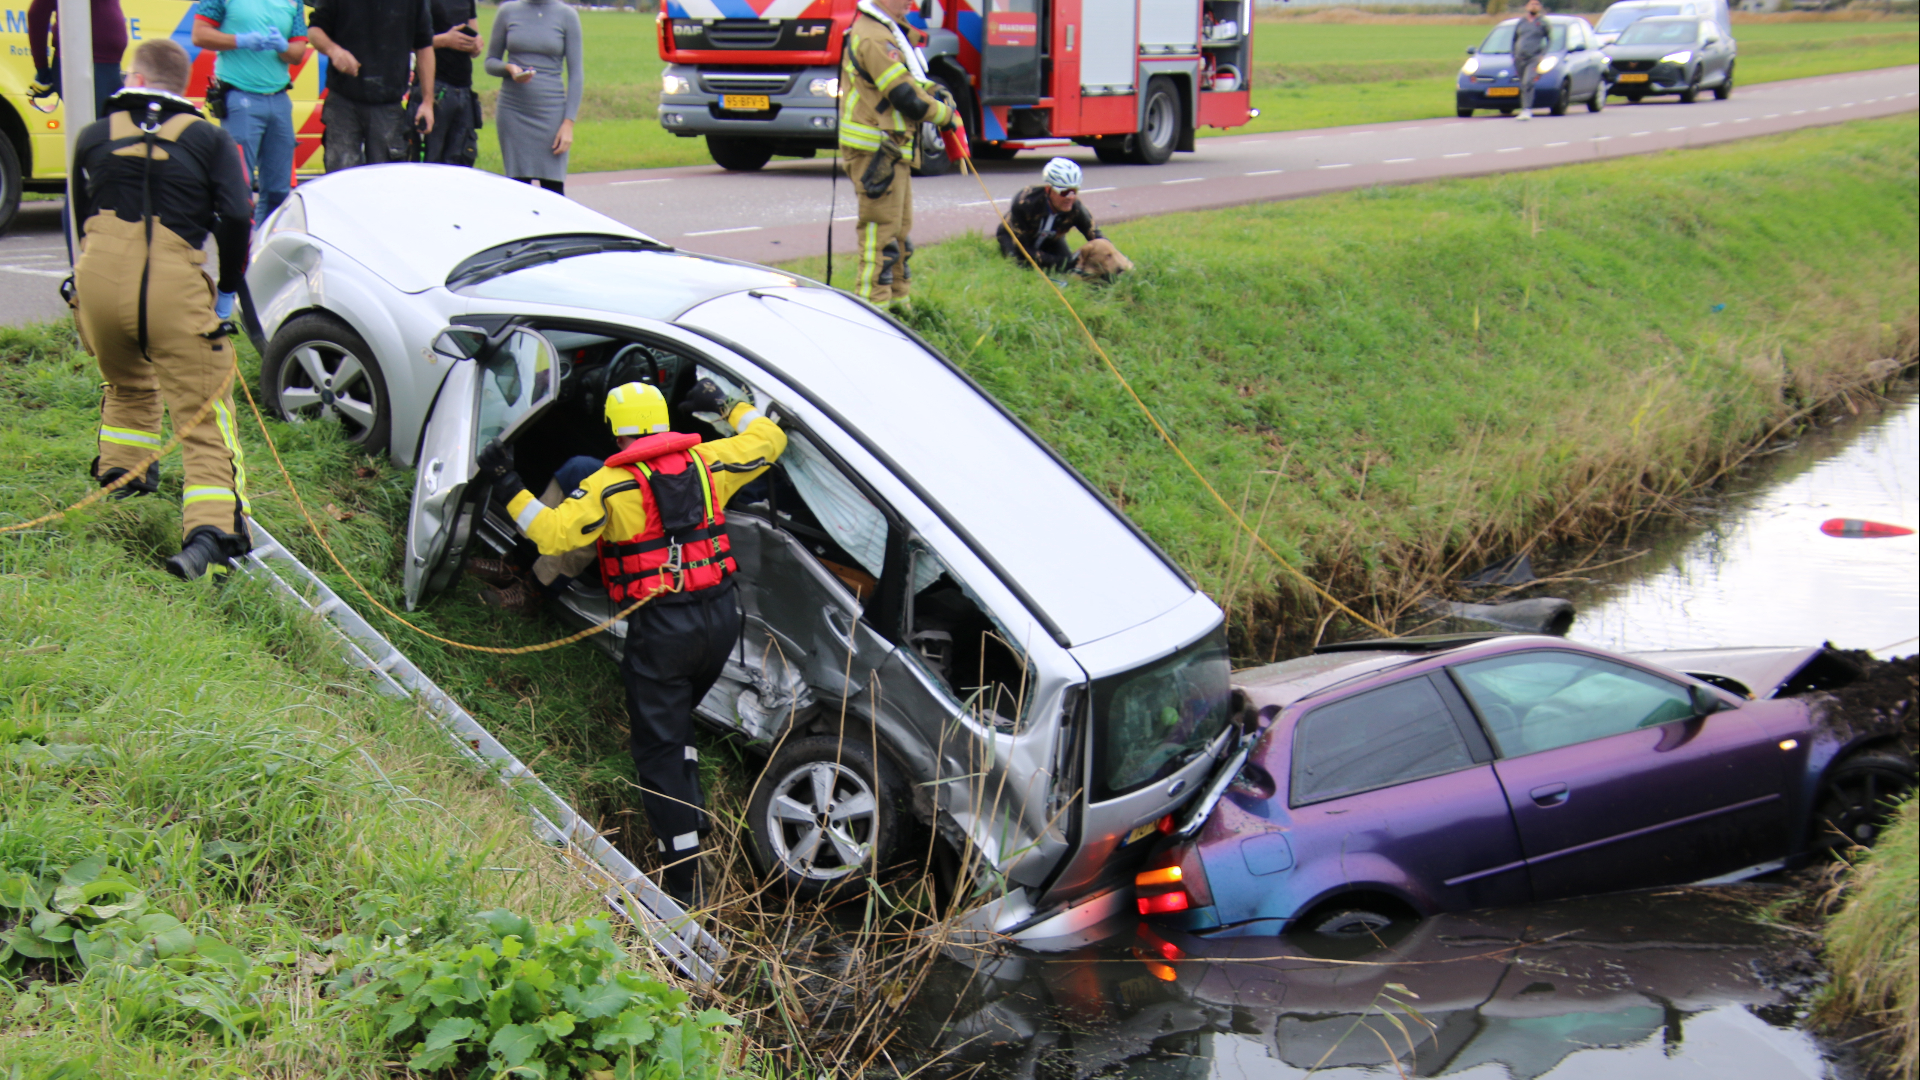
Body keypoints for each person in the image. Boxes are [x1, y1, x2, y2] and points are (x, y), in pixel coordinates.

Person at [473, 380, 786, 906]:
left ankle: (684, 883)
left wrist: (506, 483)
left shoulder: (607, 485)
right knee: (677, 716)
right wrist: (727, 407)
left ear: (617, 434)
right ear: (665, 422)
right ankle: (693, 810)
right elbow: (769, 438)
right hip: (721, 621)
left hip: (663, 631)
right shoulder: (711, 462)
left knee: (658, 750)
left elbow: (551, 535)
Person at [69, 38, 256, 581]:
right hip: (174, 287)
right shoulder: (208, 138)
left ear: (131, 75)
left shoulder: (93, 136)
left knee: (127, 382)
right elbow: (239, 216)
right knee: (203, 416)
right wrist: (225, 289)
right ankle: (210, 539)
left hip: (98, 283)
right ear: (183, 87)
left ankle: (120, 485)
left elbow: (80, 219)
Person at [838, 0, 957, 308]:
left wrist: (933, 90)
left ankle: (899, 306)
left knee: (899, 234)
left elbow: (910, 81)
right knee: (881, 239)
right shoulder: (876, 37)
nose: (913, 3)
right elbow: (904, 96)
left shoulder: (885, 31)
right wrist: (944, 114)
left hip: (889, 150)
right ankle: (872, 313)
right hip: (875, 152)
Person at [191, 0, 311, 220]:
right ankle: (238, 249)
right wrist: (240, 40)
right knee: (239, 188)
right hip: (239, 96)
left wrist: (283, 46)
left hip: (279, 98)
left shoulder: (294, 2)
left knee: (279, 191)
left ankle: (263, 247)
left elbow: (297, 53)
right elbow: (199, 34)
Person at [307, 0, 435, 170]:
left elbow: (424, 46)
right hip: (343, 103)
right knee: (341, 178)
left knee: (384, 182)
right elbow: (315, 30)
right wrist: (334, 51)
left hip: (388, 105)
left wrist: (427, 102)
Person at [484, 0, 583, 194]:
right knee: (519, 189)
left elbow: (576, 75)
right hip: (513, 110)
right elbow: (490, 62)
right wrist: (509, 68)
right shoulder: (507, 11)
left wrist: (568, 123)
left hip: (550, 112)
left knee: (553, 190)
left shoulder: (567, 15)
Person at [992, 157, 1131, 280]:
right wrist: (1061, 261)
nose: (1070, 197)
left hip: (1050, 240)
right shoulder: (1025, 202)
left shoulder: (1076, 208)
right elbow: (1023, 250)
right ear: (1048, 190)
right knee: (1020, 265)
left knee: (1067, 269)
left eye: (1074, 191)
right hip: (1016, 239)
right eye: (1064, 192)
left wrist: (1119, 261)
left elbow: (1097, 238)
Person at [27, 0, 127, 121]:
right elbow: (37, 13)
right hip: (85, 64)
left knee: (112, 128)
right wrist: (42, 69)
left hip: (107, 65)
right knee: (100, 130)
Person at [423, 0, 483, 166]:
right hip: (434, 88)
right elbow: (407, 42)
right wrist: (444, 40)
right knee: (430, 163)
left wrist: (476, 44)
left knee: (461, 164)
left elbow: (474, 36)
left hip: (463, 90)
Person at [1512, 0, 1550, 121]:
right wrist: (1514, 54)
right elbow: (1514, 39)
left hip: (1533, 58)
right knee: (1523, 84)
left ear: (1540, 7)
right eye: (1531, 4)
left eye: (1536, 4)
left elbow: (1550, 39)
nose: (1534, 6)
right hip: (1519, 58)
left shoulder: (1543, 22)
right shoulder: (1521, 22)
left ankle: (1527, 109)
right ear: (1527, 6)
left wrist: (1542, 54)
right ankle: (1524, 108)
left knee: (1528, 82)